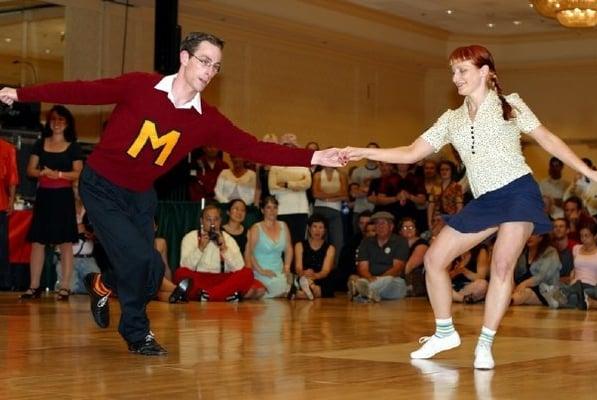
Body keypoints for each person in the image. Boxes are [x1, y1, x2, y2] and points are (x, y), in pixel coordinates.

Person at [0, 32, 342, 355]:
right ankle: (137, 333)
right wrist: (22, 94)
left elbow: (254, 147)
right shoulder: (140, 86)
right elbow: (83, 91)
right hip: (101, 186)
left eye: (215, 66)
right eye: (204, 61)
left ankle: (103, 284)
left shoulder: (207, 120)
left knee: (150, 273)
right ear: (184, 57)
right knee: (143, 260)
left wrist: (313, 157)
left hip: (139, 195)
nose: (209, 71)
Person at [344, 44, 597, 369]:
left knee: (502, 266)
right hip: (485, 200)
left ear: (484, 72)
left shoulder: (510, 105)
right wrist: (362, 152)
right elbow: (411, 152)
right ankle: (445, 332)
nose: (455, 78)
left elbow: (548, 139)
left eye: (462, 70)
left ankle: (485, 343)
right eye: (453, 71)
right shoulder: (451, 120)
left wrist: (589, 171)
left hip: (519, 192)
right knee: (434, 260)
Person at [20, 105, 84, 301]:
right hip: (44, 197)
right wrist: (42, 173)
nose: (57, 123)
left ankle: (64, 286)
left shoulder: (74, 147)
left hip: (63, 197)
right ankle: (34, 286)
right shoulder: (40, 144)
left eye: (61, 120)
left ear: (67, 123)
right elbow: (30, 170)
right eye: (53, 119)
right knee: (38, 242)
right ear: (49, 122)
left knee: (65, 242)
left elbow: (78, 172)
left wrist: (58, 174)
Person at [171, 204, 254, 302]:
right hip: (199, 278)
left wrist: (224, 248)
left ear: (220, 221)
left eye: (216, 219)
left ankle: (207, 296)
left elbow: (239, 267)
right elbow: (185, 266)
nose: (212, 223)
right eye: (209, 219)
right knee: (180, 273)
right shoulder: (190, 237)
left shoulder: (227, 239)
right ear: (201, 221)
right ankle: (223, 295)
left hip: (221, 280)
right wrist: (200, 248)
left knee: (247, 274)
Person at [349, 211, 409, 302]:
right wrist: (369, 278)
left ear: (391, 226)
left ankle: (359, 290)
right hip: (370, 279)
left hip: (394, 282)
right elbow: (362, 267)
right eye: (377, 223)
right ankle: (369, 294)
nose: (380, 226)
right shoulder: (366, 242)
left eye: (383, 223)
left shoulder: (400, 242)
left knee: (388, 280)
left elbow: (397, 268)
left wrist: (378, 280)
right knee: (356, 277)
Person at [246, 196, 293, 298]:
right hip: (261, 272)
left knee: (287, 281)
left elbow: (289, 248)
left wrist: (287, 267)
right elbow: (249, 253)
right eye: (268, 207)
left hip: (279, 270)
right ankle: (291, 291)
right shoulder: (256, 228)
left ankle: (291, 290)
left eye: (275, 207)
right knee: (281, 285)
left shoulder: (283, 225)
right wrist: (261, 271)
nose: (272, 211)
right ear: (262, 210)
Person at [291, 213, 335, 300]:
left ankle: (305, 292)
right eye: (314, 226)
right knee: (299, 280)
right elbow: (298, 268)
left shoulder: (330, 248)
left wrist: (314, 276)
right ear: (309, 229)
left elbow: (325, 271)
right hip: (303, 276)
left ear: (325, 230)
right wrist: (304, 273)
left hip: (320, 278)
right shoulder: (299, 245)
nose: (317, 231)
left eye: (321, 227)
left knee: (328, 286)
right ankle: (311, 289)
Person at [0, 138, 18, 290]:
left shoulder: (7, 148)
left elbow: (12, 176)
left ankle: (5, 282)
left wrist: (11, 200)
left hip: (0, 203)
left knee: (1, 245)